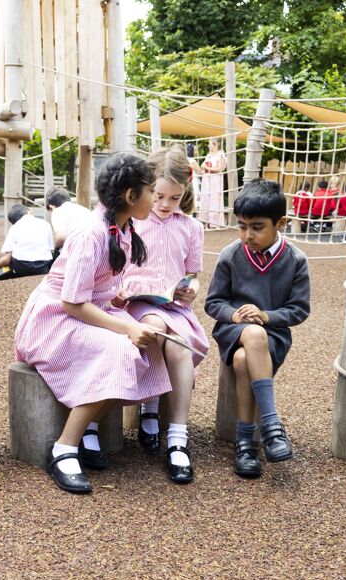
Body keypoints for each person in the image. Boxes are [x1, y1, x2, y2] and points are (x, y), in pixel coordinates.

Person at [15, 152, 170, 494]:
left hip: (88, 310)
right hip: (54, 319)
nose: (155, 199)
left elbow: (94, 287)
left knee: (150, 344)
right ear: (130, 196)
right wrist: (127, 327)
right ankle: (64, 448)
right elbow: (71, 302)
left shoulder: (123, 226)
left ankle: (90, 426)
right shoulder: (91, 233)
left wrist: (116, 296)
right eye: (151, 192)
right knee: (121, 349)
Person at [204, 179, 311, 479]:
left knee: (243, 361)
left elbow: (299, 309)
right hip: (233, 331)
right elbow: (213, 303)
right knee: (251, 334)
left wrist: (266, 315)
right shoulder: (230, 254)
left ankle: (245, 443)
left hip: (273, 334)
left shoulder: (295, 259)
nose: (247, 235)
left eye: (257, 227)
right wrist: (235, 315)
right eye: (241, 226)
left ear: (281, 223)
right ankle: (272, 427)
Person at [122, 146, 209, 484]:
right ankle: (149, 405)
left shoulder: (191, 227)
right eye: (159, 196)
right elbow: (117, 268)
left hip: (174, 305)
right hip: (136, 303)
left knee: (179, 346)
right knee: (156, 328)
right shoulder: (132, 221)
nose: (165, 204)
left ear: (184, 192)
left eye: (174, 197)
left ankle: (177, 437)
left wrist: (192, 289)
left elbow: (192, 274)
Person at [0, 204, 54, 278]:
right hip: (43, 267)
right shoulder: (46, 224)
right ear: (29, 210)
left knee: (10, 256)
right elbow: (51, 248)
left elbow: (7, 258)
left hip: (21, 267)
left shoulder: (14, 227)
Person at [46, 187, 91, 256]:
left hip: (76, 254)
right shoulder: (84, 210)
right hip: (93, 251)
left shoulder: (57, 211)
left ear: (51, 207)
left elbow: (60, 237)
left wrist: (54, 248)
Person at [199, 138, 227, 227]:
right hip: (207, 179)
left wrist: (207, 168)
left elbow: (219, 169)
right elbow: (203, 165)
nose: (208, 145)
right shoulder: (209, 155)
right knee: (206, 198)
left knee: (215, 199)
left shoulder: (220, 155)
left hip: (215, 179)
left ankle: (214, 222)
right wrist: (204, 168)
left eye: (210, 143)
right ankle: (205, 221)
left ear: (215, 144)